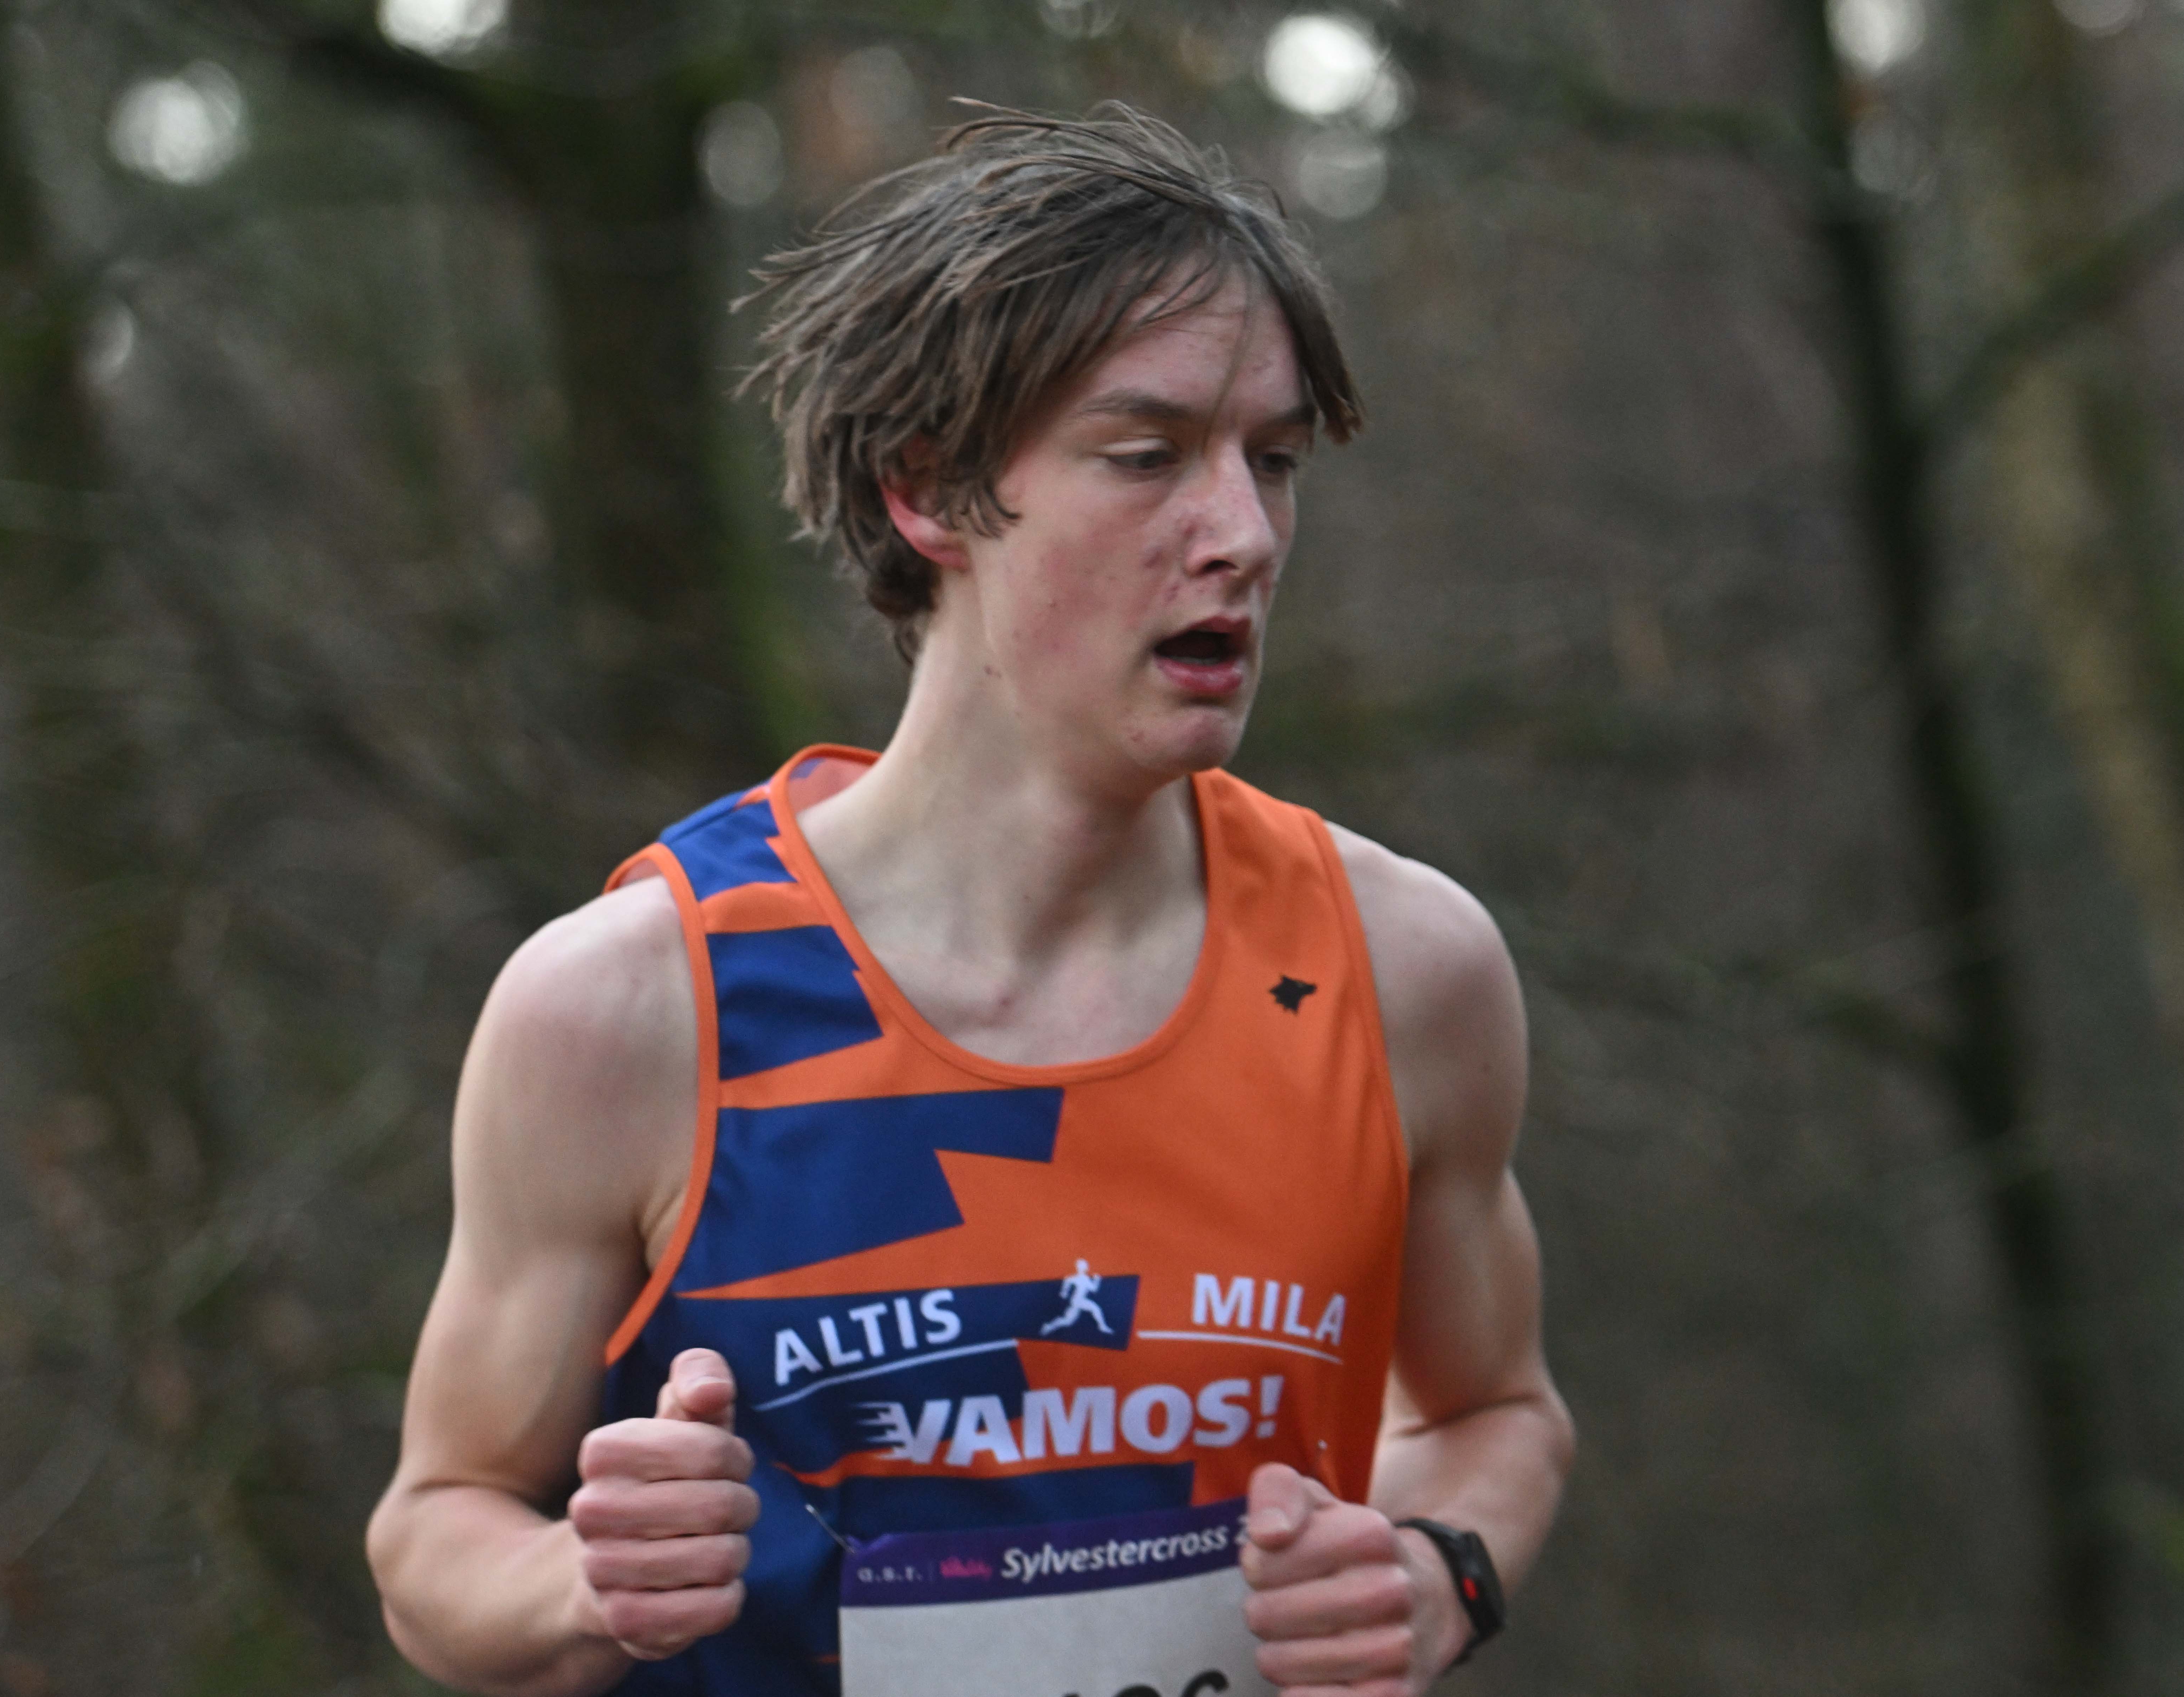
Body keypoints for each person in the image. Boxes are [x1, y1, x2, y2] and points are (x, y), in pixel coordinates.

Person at [365, 104, 1573, 1697]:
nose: (1243, 535)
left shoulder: (1404, 968)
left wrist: (1433, 1572)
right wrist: (580, 1581)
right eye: (1146, 457)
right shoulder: (631, 1007)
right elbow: (436, 1529)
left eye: (1272, 463)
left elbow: (1494, 1412)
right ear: (929, 491)